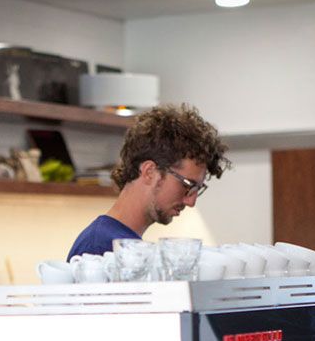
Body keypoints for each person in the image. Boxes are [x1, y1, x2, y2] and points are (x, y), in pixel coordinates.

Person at [67, 104, 230, 260]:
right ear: (149, 172)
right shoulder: (98, 249)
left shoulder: (121, 245)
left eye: (197, 189)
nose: (191, 202)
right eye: (187, 185)